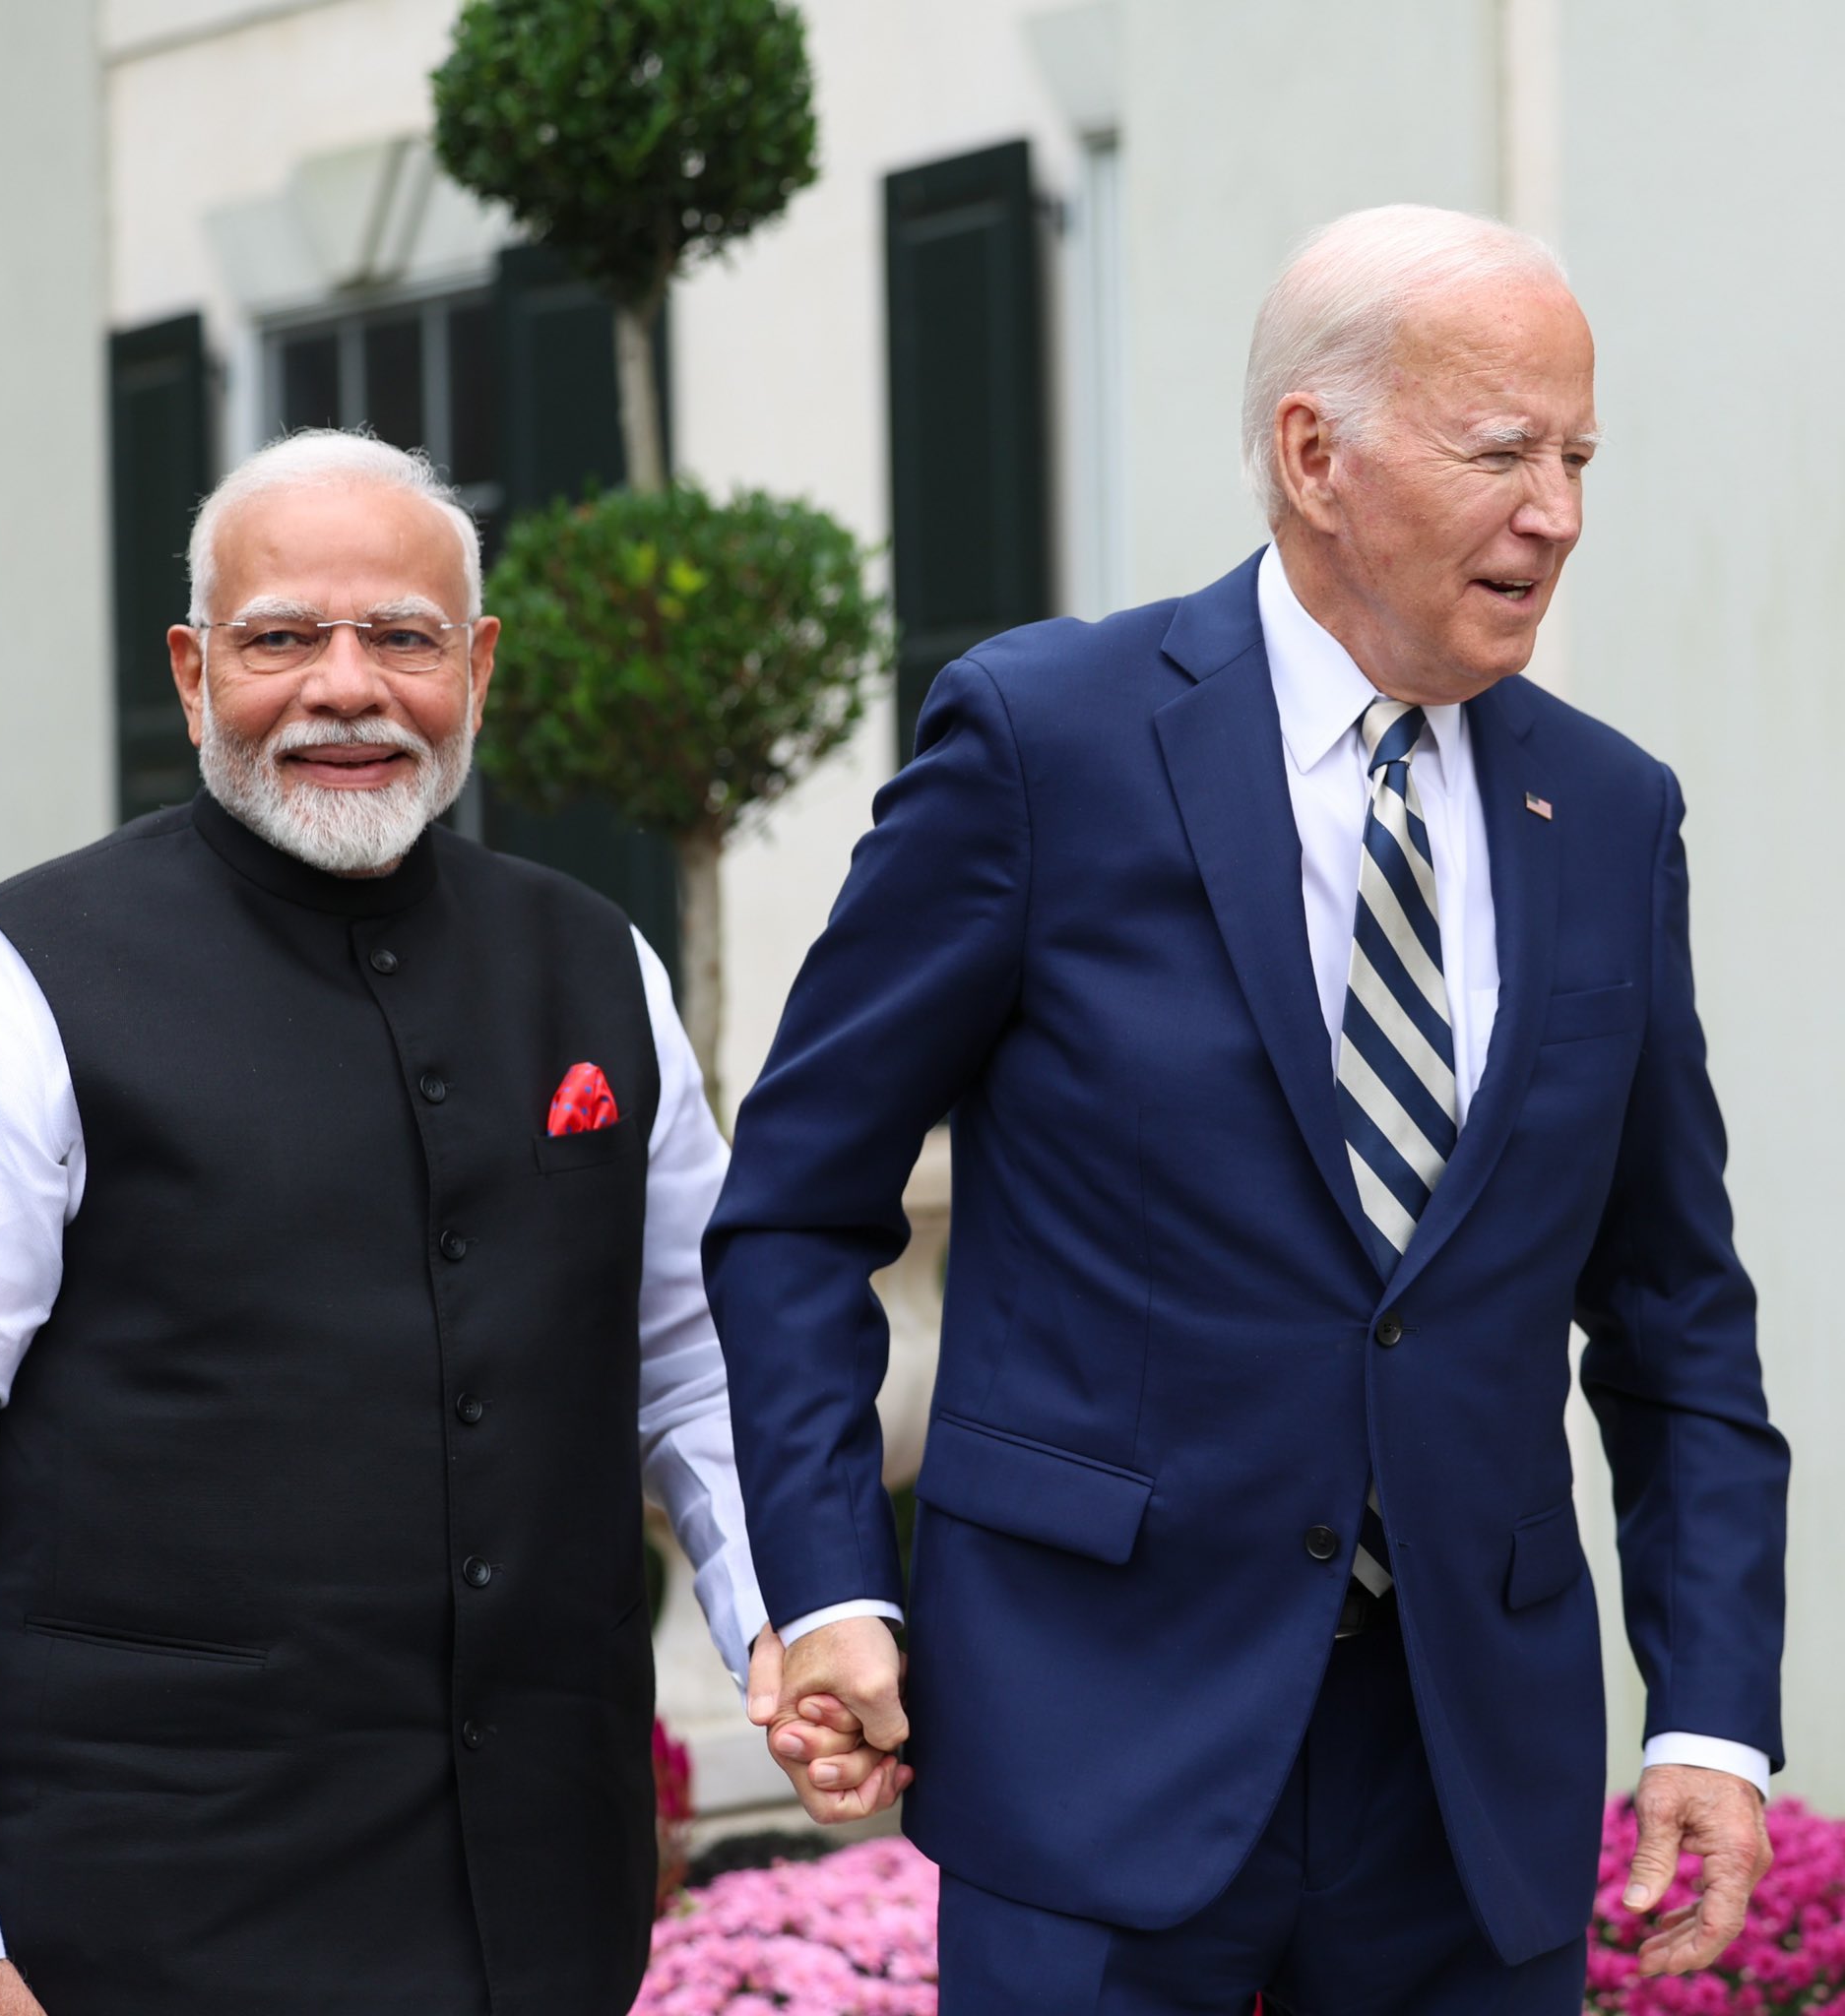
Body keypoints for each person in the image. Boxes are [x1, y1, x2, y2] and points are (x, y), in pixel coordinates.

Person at [706, 207, 1790, 2013]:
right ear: (1316, 453)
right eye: (1503, 451)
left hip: (1467, 1776)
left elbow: (1678, 1314)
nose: (1560, 515)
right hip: (1089, 1737)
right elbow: (797, 1209)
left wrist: (1712, 1718)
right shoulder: (1041, 741)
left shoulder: (1611, 813)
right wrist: (829, 1590)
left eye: (1579, 457)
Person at [0, 431, 767, 2015]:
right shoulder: (12, 982)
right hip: (146, 1922)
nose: (348, 686)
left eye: (401, 636)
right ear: (194, 675)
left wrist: (789, 1637)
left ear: (474, 667)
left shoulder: (597, 962)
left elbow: (703, 1372)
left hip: (547, 1905)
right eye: (282, 639)